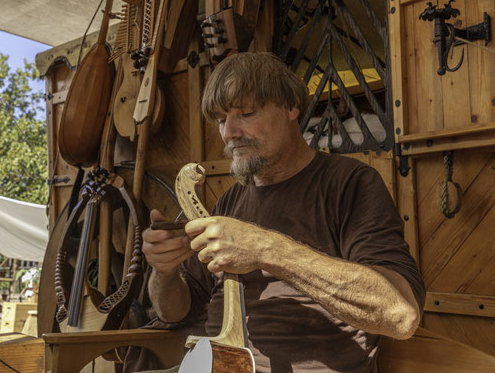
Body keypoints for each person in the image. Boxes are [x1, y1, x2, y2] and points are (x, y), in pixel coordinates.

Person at [140, 52, 425, 373]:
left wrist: (266, 249)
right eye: (221, 120)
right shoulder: (230, 201)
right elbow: (176, 312)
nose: (228, 132)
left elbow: (400, 315)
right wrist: (164, 271)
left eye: (246, 113)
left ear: (291, 106)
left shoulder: (350, 184)